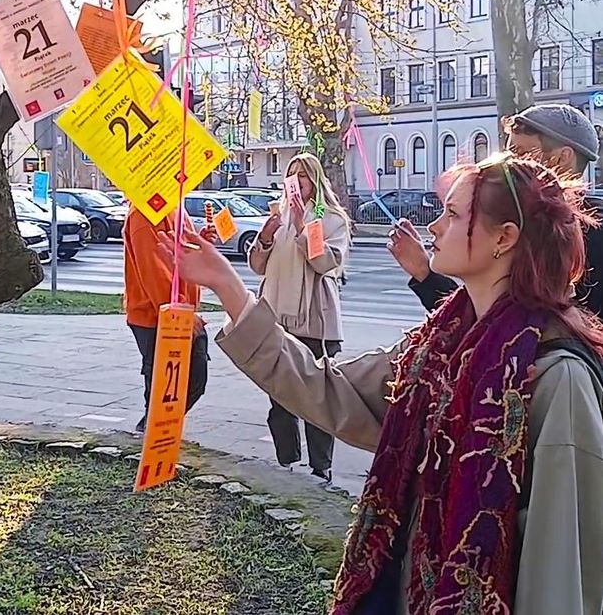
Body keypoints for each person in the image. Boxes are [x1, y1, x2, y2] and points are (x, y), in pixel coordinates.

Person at [157, 153, 603, 614]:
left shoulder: (555, 374)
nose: (434, 228)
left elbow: (562, 578)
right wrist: (228, 286)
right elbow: (329, 390)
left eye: (451, 215)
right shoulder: (437, 346)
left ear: (503, 238)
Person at [390, 103, 603, 316]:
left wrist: (426, 274)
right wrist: (424, 273)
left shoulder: (590, 233)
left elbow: (507, 324)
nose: (509, 164)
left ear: (562, 157)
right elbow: (487, 318)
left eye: (520, 154)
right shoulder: (521, 219)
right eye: (508, 155)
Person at [249, 152, 351, 482]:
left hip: (314, 322)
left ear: (316, 181)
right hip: (276, 319)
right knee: (279, 398)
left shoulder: (331, 219)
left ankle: (321, 468)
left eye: (302, 176)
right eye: (291, 175)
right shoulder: (278, 217)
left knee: (316, 400)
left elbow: (325, 262)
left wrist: (304, 227)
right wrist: (265, 236)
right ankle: (286, 463)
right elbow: (257, 266)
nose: (295, 182)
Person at [123, 205, 209, 433]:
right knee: (167, 389)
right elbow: (153, 271)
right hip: (156, 317)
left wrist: (200, 243)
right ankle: (152, 438)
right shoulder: (144, 213)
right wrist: (182, 313)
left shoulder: (174, 204)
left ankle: (158, 434)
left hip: (179, 311)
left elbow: (177, 251)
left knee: (192, 382)